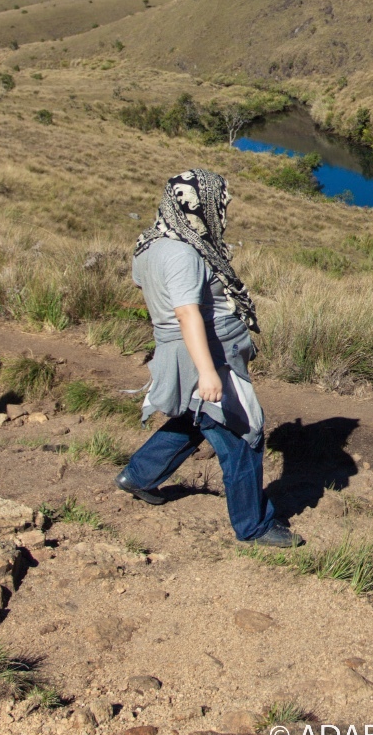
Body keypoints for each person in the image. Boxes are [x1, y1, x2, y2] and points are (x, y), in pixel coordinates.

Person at [115, 169, 301, 548]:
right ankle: (254, 526)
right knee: (241, 432)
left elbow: (149, 288)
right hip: (208, 354)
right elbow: (187, 313)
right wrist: (206, 372)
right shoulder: (184, 253)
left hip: (182, 348)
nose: (223, 209)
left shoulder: (151, 243)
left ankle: (139, 475)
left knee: (196, 419)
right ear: (197, 205)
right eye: (219, 202)